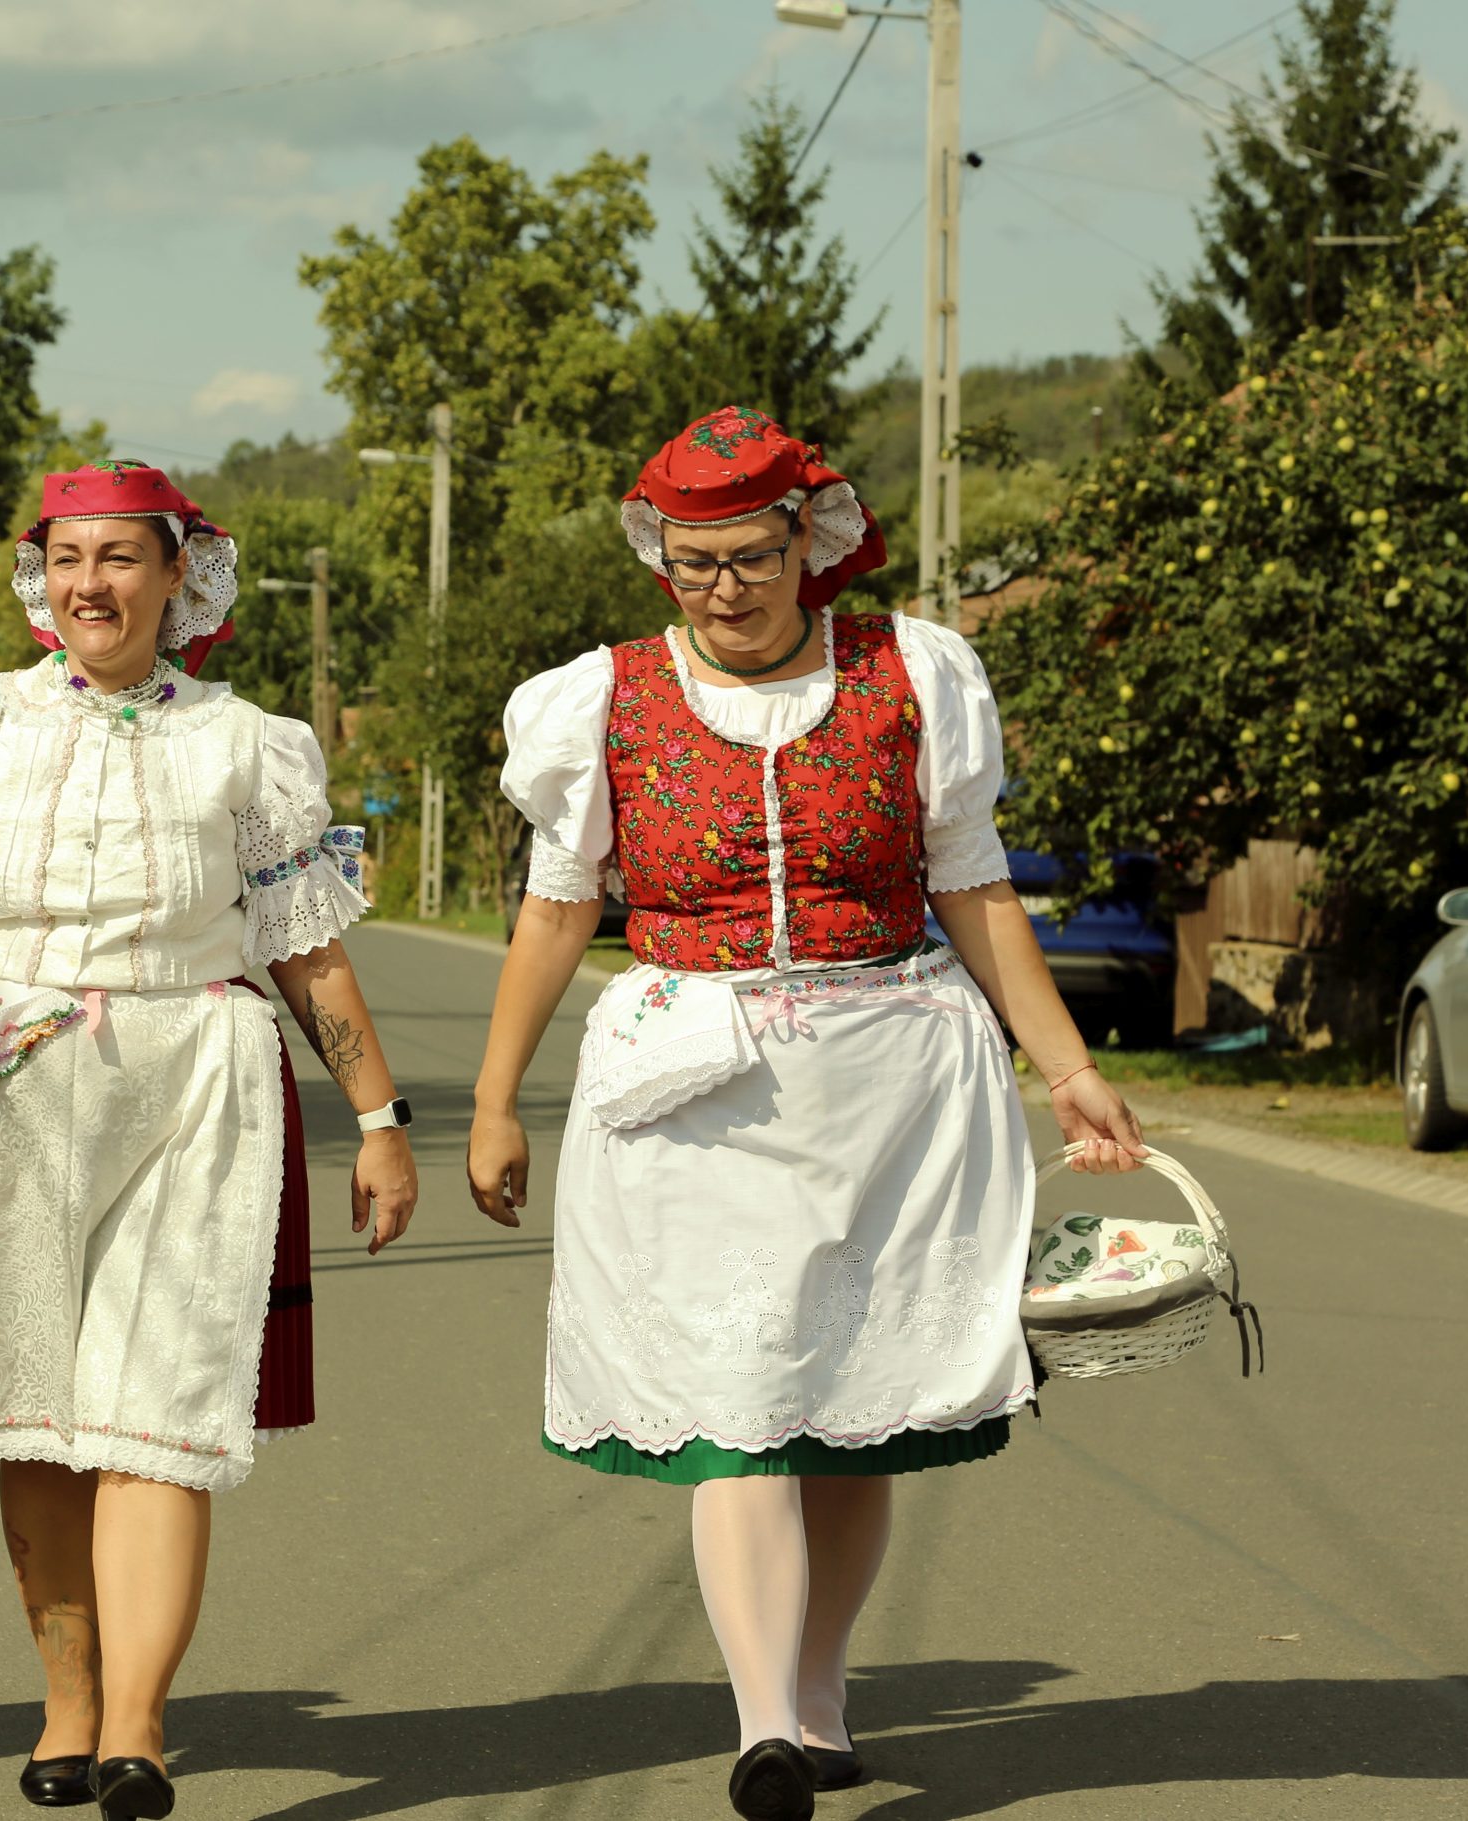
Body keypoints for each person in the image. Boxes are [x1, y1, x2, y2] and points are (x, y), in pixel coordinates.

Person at [466, 407, 1146, 1821]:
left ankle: (821, 1690)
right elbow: (554, 909)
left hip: (890, 1073)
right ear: (663, 556)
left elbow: (976, 889)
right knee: (741, 1400)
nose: (723, 587)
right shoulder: (601, 699)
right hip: (691, 1085)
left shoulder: (916, 674)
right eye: (694, 561)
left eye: (751, 556)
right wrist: (493, 1102)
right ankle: (763, 1719)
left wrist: (1068, 1066)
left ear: (808, 546)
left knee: (850, 1406)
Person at [0, 462, 420, 1820]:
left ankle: (138, 1726)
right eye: (65, 557)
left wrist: (381, 1120)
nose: (89, 584)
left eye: (120, 558)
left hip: (191, 1096)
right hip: (0, 1098)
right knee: (38, 1422)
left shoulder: (251, 745)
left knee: (159, 1414)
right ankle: (68, 1703)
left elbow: (311, 958)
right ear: (38, 577)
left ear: (180, 577)